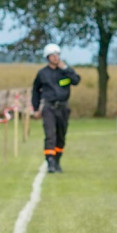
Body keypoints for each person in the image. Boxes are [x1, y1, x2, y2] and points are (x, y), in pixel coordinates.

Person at [31, 43, 80, 173]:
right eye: (53, 55)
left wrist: (66, 68)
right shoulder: (42, 74)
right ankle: (50, 161)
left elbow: (76, 81)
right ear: (47, 57)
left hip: (63, 108)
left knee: (61, 136)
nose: (55, 57)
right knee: (50, 135)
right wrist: (35, 109)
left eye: (57, 55)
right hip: (48, 108)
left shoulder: (65, 72)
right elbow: (35, 91)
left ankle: (57, 160)